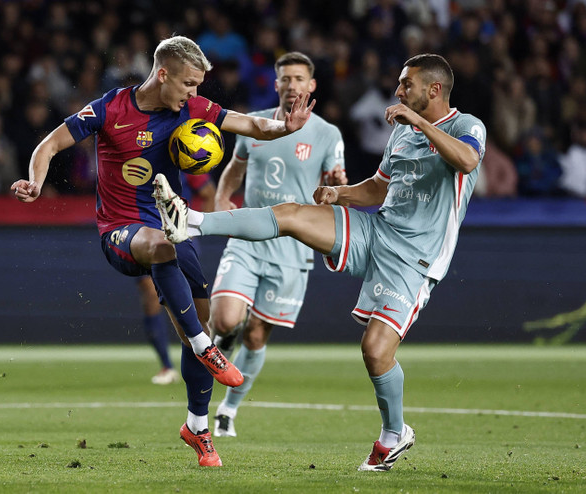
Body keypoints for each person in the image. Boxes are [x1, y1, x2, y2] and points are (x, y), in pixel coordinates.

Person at [154, 53, 486, 472]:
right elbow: (378, 190)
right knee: (291, 214)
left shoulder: (466, 126)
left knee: (375, 352)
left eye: (406, 84)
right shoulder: (401, 135)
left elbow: (468, 161)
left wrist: (418, 122)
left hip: (415, 258)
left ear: (434, 90)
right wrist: (339, 195)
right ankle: (191, 222)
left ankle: (394, 433)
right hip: (377, 233)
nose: (398, 91)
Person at [11, 35, 314, 468]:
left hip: (173, 231)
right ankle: (204, 345)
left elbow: (251, 125)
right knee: (167, 259)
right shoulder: (109, 108)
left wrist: (285, 126)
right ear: (163, 73)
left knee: (198, 306)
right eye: (190, 84)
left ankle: (198, 427)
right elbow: (49, 145)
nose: (195, 94)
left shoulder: (192, 109)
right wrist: (36, 182)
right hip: (121, 233)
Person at [207, 51, 348, 438]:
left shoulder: (327, 134)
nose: (292, 85)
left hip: (293, 248)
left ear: (312, 85)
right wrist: (224, 210)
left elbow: (336, 186)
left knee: (255, 335)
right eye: (285, 78)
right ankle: (222, 342)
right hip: (249, 239)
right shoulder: (255, 126)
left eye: (300, 79)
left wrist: (334, 187)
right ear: (276, 83)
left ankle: (228, 412)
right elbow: (232, 173)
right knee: (224, 320)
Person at [143, 173, 216, 386]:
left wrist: (196, 231)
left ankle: (204, 360)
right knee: (150, 296)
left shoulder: (184, 158)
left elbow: (209, 193)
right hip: (143, 237)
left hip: (179, 243)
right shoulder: (137, 155)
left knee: (195, 310)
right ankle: (166, 364)